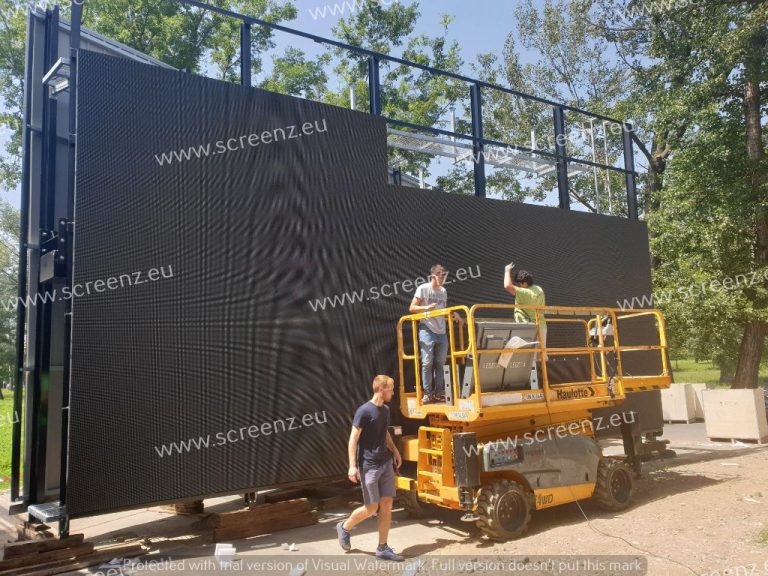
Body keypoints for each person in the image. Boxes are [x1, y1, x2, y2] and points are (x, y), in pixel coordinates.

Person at [336, 375, 404, 561]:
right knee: (372, 508)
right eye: (391, 388)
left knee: (387, 505)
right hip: (369, 466)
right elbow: (353, 439)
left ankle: (383, 548)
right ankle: (344, 527)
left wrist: (395, 451)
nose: (393, 392)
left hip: (385, 463)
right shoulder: (364, 411)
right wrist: (352, 466)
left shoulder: (385, 410)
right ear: (381, 389)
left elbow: (385, 433)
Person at [409, 264, 462, 404]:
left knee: (440, 362)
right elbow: (412, 308)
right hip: (427, 329)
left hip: (442, 331)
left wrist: (453, 313)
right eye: (441, 275)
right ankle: (427, 394)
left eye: (444, 275)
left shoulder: (443, 291)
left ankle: (438, 393)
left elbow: (443, 309)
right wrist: (426, 307)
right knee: (427, 363)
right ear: (433, 276)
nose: (443, 278)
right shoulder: (423, 288)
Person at [503, 263, 547, 361]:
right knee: (541, 358)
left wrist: (507, 270)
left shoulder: (524, 293)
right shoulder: (539, 289)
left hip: (528, 329)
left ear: (525, 283)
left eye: (519, 284)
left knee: (527, 359)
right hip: (541, 326)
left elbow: (507, 286)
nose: (519, 286)